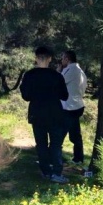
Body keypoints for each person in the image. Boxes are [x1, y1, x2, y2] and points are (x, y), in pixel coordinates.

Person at [20, 46, 69, 183]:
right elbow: (64, 96)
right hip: (55, 114)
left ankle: (45, 171)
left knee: (41, 144)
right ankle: (56, 173)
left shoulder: (29, 75)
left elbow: (26, 96)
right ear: (50, 59)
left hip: (37, 114)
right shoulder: (57, 76)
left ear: (36, 58)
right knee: (56, 144)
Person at [59, 50, 87, 165]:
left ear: (67, 59)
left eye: (63, 58)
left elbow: (59, 82)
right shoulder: (80, 71)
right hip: (77, 105)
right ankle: (78, 158)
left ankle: (55, 158)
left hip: (69, 107)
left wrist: (58, 71)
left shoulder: (71, 70)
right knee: (75, 134)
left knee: (59, 134)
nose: (61, 61)